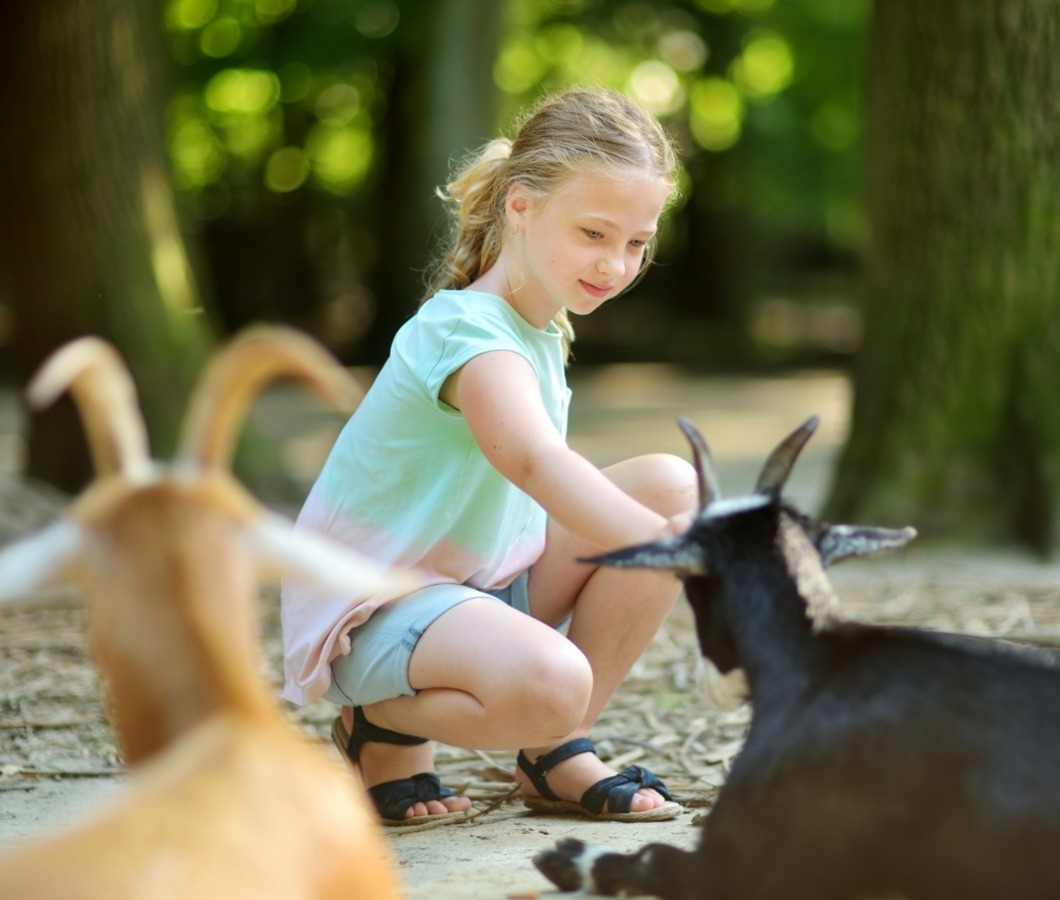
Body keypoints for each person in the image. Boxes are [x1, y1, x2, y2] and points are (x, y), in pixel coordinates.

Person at [280, 86, 697, 827]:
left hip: (477, 587)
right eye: (594, 233)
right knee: (557, 674)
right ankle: (384, 728)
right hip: (380, 607)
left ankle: (553, 752)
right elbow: (534, 461)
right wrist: (672, 546)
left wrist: (669, 529)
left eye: (637, 242)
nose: (617, 264)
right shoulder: (467, 332)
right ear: (521, 207)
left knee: (671, 485)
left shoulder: (541, 327)